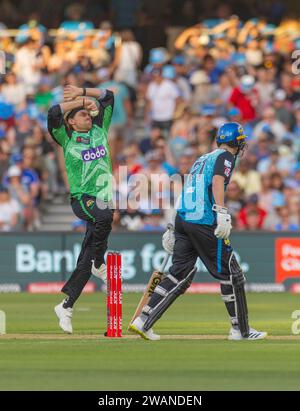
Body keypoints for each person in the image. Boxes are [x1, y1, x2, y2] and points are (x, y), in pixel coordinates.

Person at [130, 122, 267, 341]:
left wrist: (175, 226)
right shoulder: (225, 157)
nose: (242, 146)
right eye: (240, 142)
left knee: (179, 273)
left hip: (184, 217)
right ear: (235, 142)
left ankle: (143, 320)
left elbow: (189, 189)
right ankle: (240, 330)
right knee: (232, 274)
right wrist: (222, 211)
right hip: (203, 220)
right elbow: (217, 181)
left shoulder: (202, 158)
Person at [47, 84, 114, 334]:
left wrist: (83, 92)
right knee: (103, 219)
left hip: (104, 198)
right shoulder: (66, 137)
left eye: (88, 112)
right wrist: (78, 102)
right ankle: (100, 262)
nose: (88, 114)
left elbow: (109, 96)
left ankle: (66, 305)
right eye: (82, 114)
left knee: (85, 258)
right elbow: (53, 113)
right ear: (72, 122)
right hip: (83, 198)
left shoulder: (100, 130)